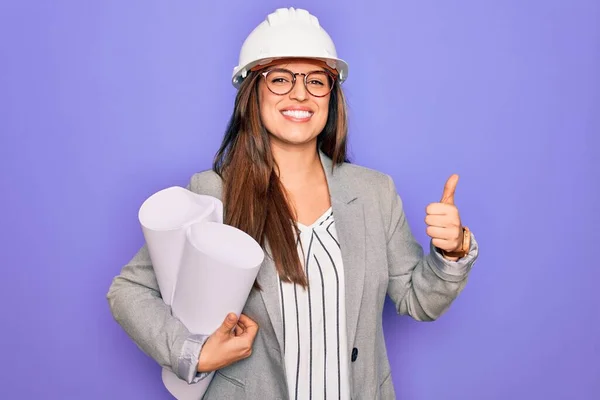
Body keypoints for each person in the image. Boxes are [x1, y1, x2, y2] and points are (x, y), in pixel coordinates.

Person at [107, 7, 479, 399]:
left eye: (316, 80)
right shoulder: (214, 193)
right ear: (253, 91)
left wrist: (450, 253)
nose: (300, 93)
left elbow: (418, 299)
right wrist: (194, 352)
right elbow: (128, 289)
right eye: (281, 79)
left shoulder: (374, 192)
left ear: (331, 96)